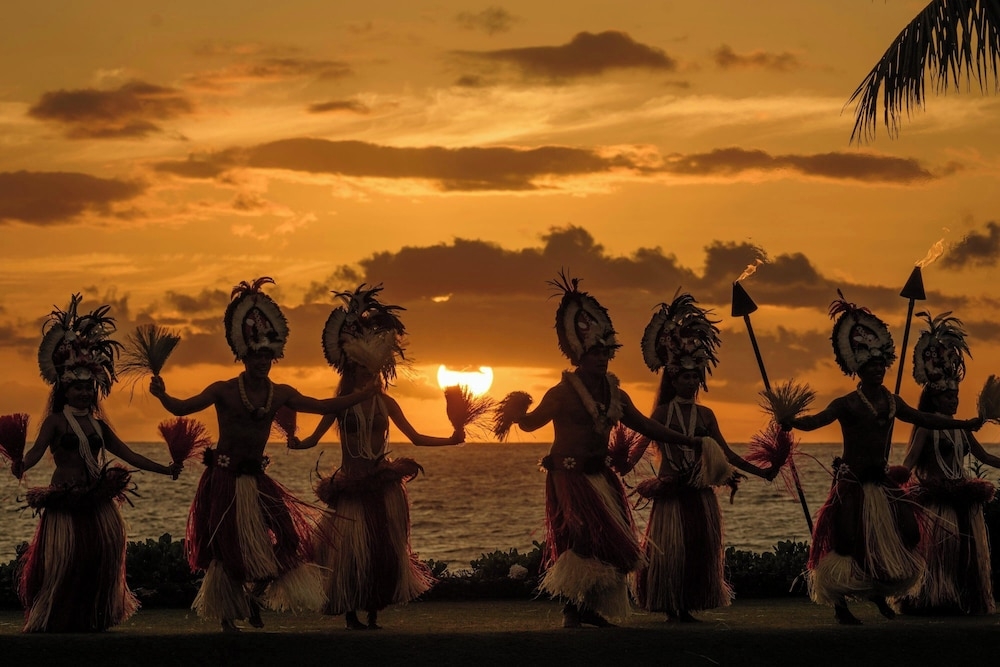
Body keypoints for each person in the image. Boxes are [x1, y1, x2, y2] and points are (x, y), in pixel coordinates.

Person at [149, 277, 376, 632]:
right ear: (244, 355)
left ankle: (254, 595)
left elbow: (321, 405)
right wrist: (162, 396)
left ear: (274, 357)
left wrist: (361, 395)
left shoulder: (281, 393)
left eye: (268, 356)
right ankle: (227, 617)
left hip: (256, 479)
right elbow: (183, 407)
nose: (262, 362)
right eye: (256, 356)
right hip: (223, 479)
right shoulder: (224, 390)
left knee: (287, 535)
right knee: (226, 547)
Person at [503, 274, 704, 629]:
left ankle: (586, 608)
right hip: (568, 475)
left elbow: (646, 425)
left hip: (601, 474)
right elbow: (532, 425)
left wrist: (686, 440)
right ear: (581, 353)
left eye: (607, 353)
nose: (603, 359)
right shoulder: (561, 393)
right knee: (579, 536)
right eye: (596, 353)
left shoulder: (617, 395)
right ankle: (571, 609)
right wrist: (516, 413)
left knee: (611, 541)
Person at [782, 293, 982, 625]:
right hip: (852, 482)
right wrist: (792, 421)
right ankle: (840, 604)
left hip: (882, 483)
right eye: (871, 366)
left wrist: (963, 423)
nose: (877, 370)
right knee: (846, 541)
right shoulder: (847, 403)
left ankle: (878, 592)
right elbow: (816, 421)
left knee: (907, 532)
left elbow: (927, 417)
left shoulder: (893, 402)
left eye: (880, 365)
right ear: (859, 368)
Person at [288, 284, 464, 630]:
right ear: (351, 369)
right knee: (350, 555)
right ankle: (351, 611)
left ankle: (372, 610)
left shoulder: (387, 404)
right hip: (351, 487)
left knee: (382, 550)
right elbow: (312, 438)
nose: (369, 376)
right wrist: (296, 441)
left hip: (382, 486)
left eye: (372, 371)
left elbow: (414, 437)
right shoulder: (341, 406)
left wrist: (451, 439)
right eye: (362, 370)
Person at [14, 294, 181, 633]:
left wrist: (165, 469)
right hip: (64, 501)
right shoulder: (56, 423)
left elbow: (129, 455)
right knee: (65, 562)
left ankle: (93, 616)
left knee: (100, 557)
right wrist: (20, 464)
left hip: (95, 500)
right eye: (77, 388)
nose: (84, 394)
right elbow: (33, 455)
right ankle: (58, 617)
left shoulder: (99, 426)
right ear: (64, 388)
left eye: (89, 388)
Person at [629, 293, 776, 622]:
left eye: (696, 377)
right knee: (669, 554)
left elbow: (725, 453)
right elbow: (640, 444)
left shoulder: (707, 415)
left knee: (698, 551)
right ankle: (671, 606)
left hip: (699, 495)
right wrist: (619, 463)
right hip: (671, 494)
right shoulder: (662, 413)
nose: (693, 382)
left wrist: (762, 471)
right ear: (673, 378)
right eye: (686, 377)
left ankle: (689, 604)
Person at [895, 311, 999, 615]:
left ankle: (961, 599)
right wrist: (895, 481)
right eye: (948, 396)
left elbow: (983, 457)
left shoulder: (962, 427)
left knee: (964, 553)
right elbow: (911, 459)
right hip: (936, 501)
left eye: (956, 395)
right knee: (939, 553)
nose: (953, 400)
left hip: (961, 497)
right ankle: (933, 599)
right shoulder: (927, 426)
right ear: (935, 398)